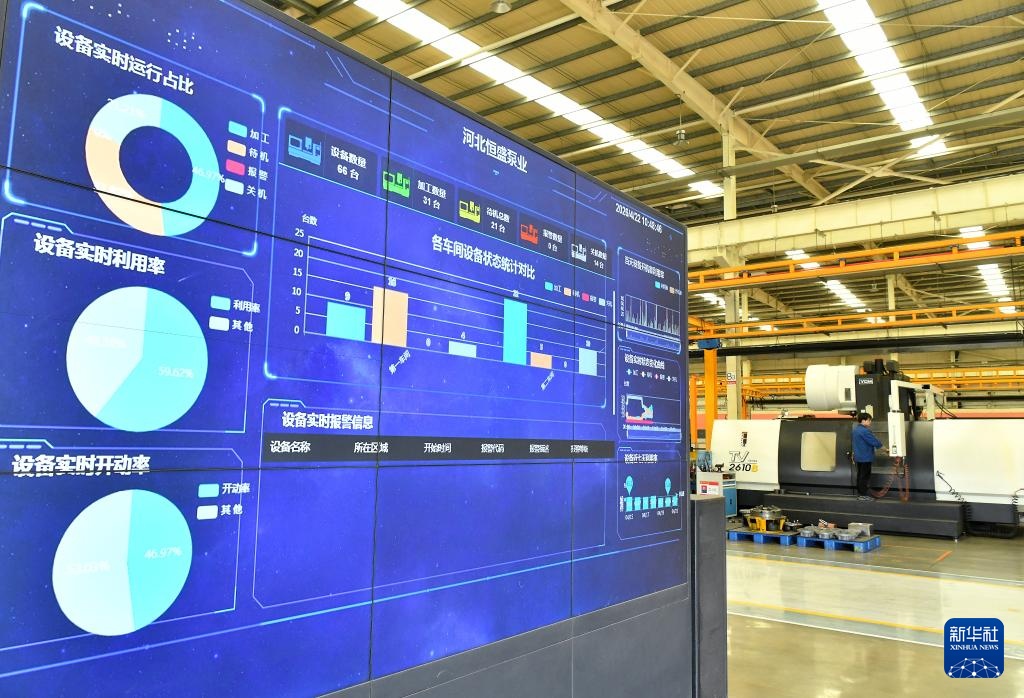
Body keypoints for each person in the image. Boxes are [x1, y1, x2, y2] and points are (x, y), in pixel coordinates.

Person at [852, 412, 883, 500]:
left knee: (860, 476)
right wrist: (885, 450)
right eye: (869, 420)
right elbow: (874, 442)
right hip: (865, 457)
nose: (870, 422)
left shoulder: (855, 430)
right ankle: (863, 495)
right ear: (863, 421)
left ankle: (860, 494)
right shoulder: (865, 431)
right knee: (864, 477)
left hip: (859, 457)